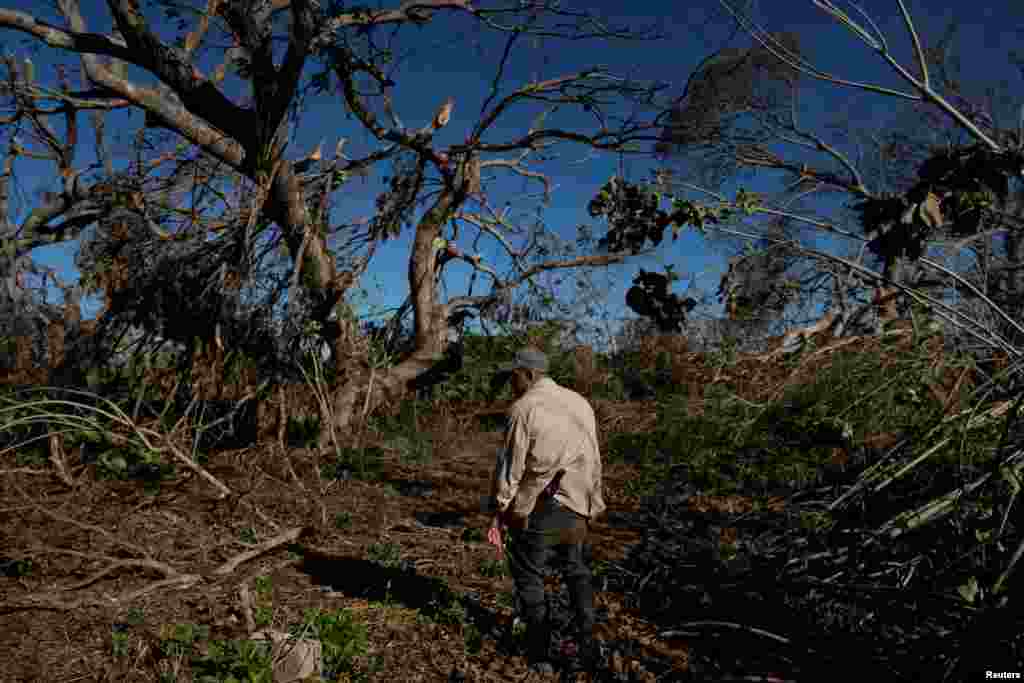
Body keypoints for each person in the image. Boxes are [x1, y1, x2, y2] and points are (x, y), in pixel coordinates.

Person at [484, 347, 606, 674]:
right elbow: (593, 458)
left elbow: (509, 470)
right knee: (576, 571)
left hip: (542, 508)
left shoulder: (523, 409)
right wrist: (591, 503)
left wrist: (499, 512)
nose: (512, 383)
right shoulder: (580, 403)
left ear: (529, 375)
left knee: (529, 575)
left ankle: (539, 654)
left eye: (514, 376)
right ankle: (588, 641)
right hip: (579, 504)